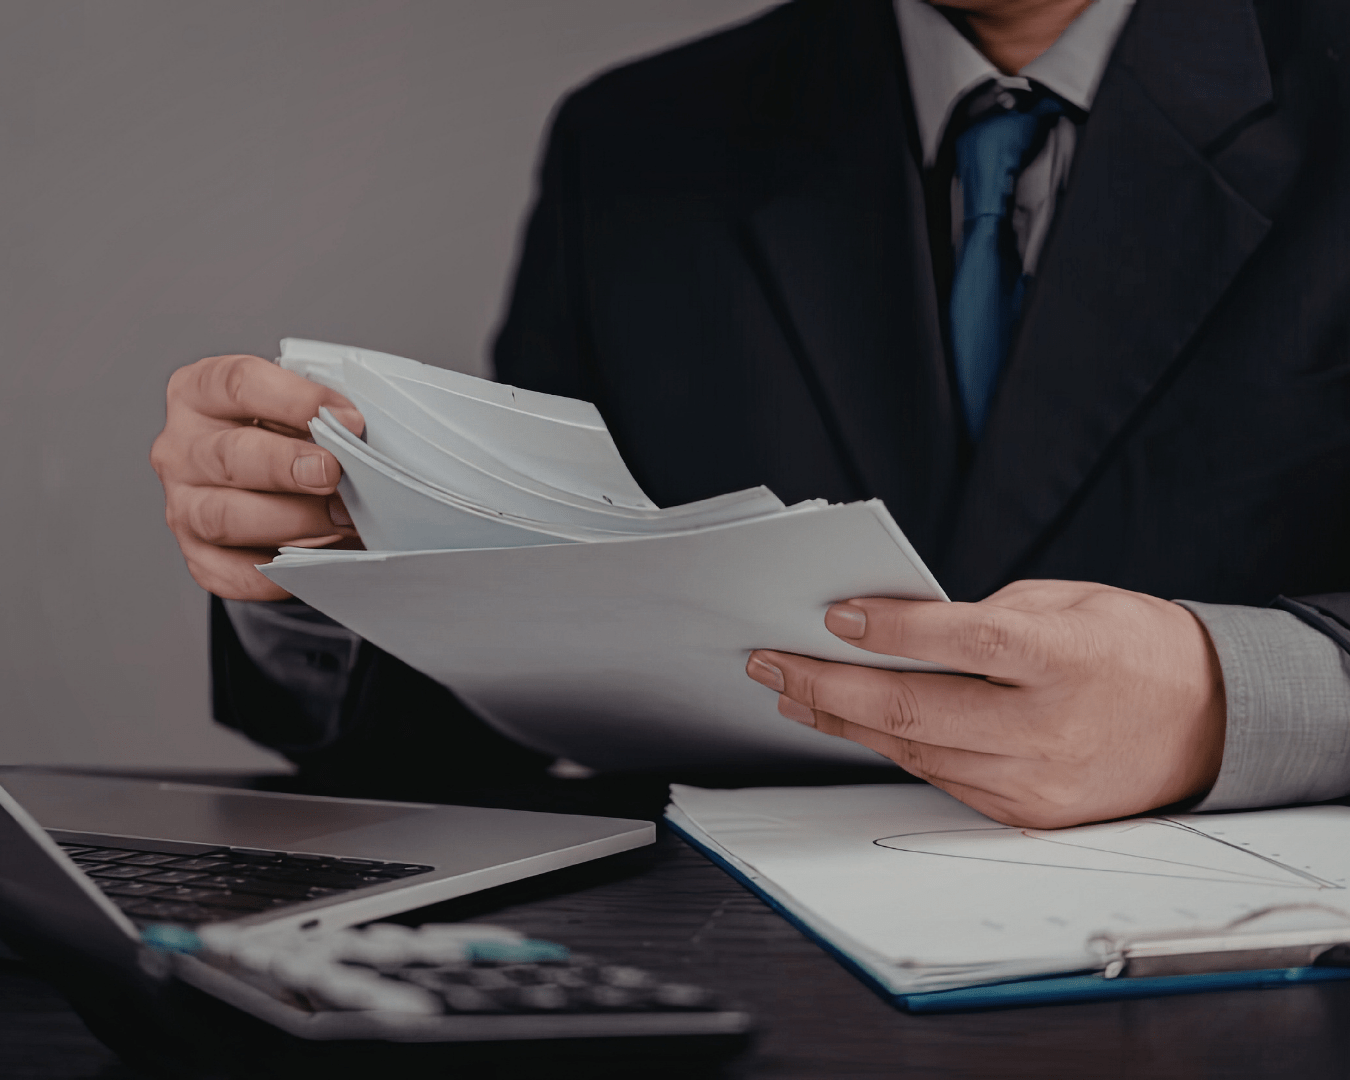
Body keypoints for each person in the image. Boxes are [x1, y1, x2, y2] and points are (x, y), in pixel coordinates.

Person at [151, 0, 1350, 826]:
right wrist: (314, 570)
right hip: (732, 975)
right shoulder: (635, 147)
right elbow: (492, 708)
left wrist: (1231, 703)